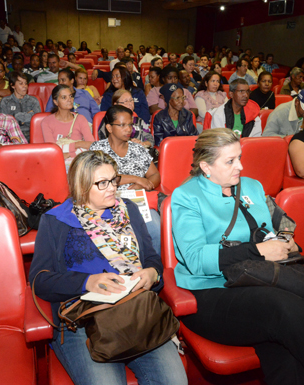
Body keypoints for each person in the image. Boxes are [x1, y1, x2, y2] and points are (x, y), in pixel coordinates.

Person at [170, 128, 304, 385]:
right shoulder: (187, 196)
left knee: (285, 349)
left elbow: (282, 224)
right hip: (212, 294)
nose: (240, 166)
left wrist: (286, 240)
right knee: (288, 309)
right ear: (206, 166)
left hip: (262, 281)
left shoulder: (252, 186)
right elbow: (195, 260)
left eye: (239, 157)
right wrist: (258, 250)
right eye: (230, 161)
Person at [28, 149, 186, 385]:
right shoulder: (56, 220)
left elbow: (152, 258)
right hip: (82, 320)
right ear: (81, 186)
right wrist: (86, 282)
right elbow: (40, 280)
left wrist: (152, 273)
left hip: (135, 312)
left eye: (114, 180)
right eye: (102, 183)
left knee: (174, 382)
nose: (112, 187)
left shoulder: (128, 210)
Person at [90, 106, 162, 254]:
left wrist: (144, 185)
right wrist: (136, 178)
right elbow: (98, 179)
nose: (128, 129)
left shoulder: (138, 149)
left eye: (130, 124)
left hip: (138, 201)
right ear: (109, 127)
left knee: (155, 228)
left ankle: (154, 270)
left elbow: (155, 176)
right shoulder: (98, 149)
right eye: (122, 125)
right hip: (109, 202)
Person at [41, 84, 94, 161]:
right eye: (64, 97)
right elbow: (53, 151)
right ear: (56, 102)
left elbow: (91, 145)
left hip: (79, 162)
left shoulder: (80, 119)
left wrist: (68, 152)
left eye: (70, 96)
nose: (69, 99)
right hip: (58, 162)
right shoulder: (47, 122)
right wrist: (79, 144)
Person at [0, 71, 41, 141]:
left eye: (26, 83)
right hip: (12, 135)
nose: (25, 86)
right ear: (12, 85)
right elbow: (4, 123)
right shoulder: (6, 101)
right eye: (21, 84)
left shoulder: (33, 100)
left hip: (32, 134)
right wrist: (28, 115)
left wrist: (14, 117)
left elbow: (37, 121)